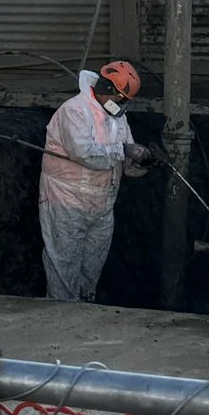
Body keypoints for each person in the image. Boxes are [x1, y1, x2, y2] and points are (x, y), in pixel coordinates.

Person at [38, 61, 156, 301]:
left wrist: (143, 162)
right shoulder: (75, 111)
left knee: (91, 268)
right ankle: (60, 319)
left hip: (101, 208)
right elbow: (84, 153)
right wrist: (125, 151)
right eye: (121, 98)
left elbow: (124, 159)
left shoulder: (117, 117)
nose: (122, 105)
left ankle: (85, 311)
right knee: (64, 266)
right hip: (66, 203)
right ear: (109, 90)